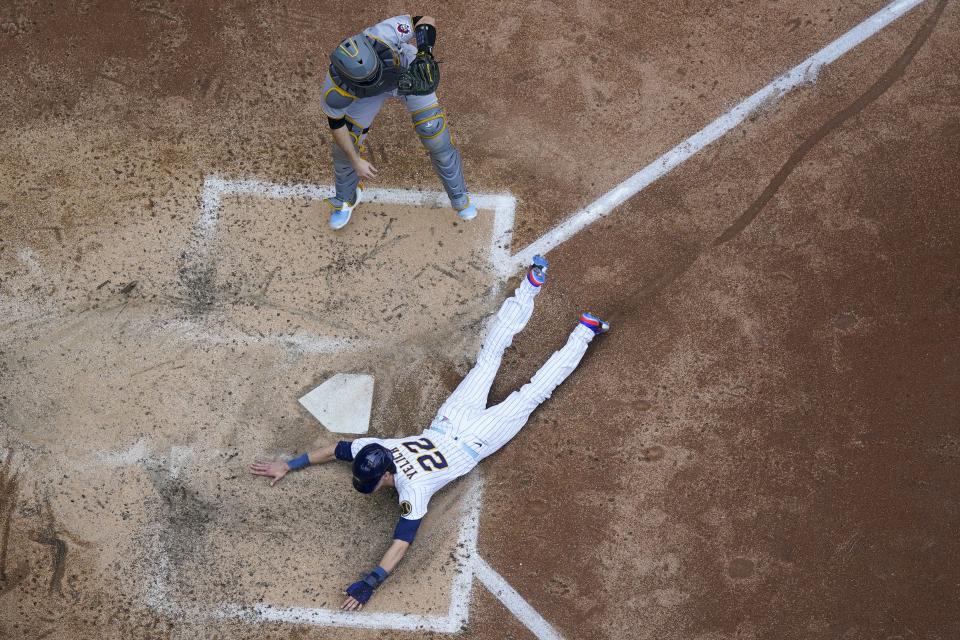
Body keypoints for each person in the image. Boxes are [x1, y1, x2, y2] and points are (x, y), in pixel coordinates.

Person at [249, 256, 610, 609]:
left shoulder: (414, 490)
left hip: (473, 437)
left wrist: (372, 582)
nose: (368, 487)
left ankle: (584, 331)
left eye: (370, 483)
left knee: (531, 393)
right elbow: (334, 450)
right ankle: (531, 286)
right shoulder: (378, 447)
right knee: (489, 359)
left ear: (386, 474)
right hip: (451, 420)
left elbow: (402, 542)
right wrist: (291, 464)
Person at [318, 14, 476, 229]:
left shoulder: (383, 35)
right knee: (346, 145)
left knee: (434, 134)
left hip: (408, 75)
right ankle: (346, 199)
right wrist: (356, 161)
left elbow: (425, 19)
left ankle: (459, 197)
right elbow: (336, 126)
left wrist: (424, 53)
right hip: (366, 95)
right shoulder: (335, 89)